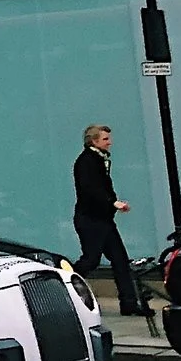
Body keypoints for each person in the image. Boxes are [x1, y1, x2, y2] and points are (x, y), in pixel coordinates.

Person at [73, 124, 145, 316]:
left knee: (120, 260)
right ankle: (65, 283)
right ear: (93, 141)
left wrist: (112, 204)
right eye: (105, 139)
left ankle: (129, 303)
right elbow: (90, 189)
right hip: (90, 220)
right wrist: (112, 203)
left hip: (103, 219)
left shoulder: (99, 159)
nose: (109, 142)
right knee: (91, 260)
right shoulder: (86, 162)